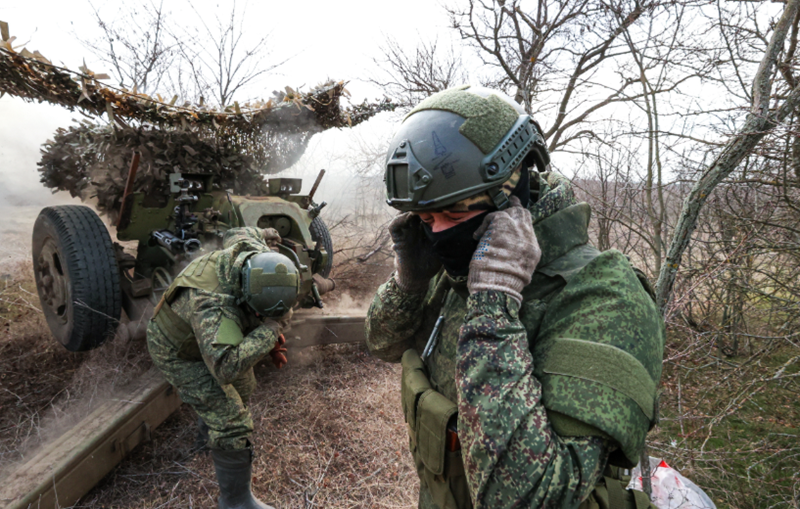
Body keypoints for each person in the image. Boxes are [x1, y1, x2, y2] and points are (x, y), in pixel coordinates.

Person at [366, 86, 665, 509]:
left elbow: (530, 497)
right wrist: (408, 283)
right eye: (425, 218)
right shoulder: (459, 263)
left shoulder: (605, 297)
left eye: (453, 214)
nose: (437, 233)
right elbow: (384, 344)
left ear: (515, 192)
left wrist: (494, 302)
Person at [147, 226, 296, 509]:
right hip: (177, 351)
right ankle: (236, 502)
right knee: (232, 421)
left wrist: (265, 232)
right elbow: (225, 368)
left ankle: (207, 437)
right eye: (258, 313)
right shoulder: (212, 304)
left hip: (204, 339)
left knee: (244, 386)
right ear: (244, 294)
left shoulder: (251, 252)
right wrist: (270, 330)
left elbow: (238, 230)